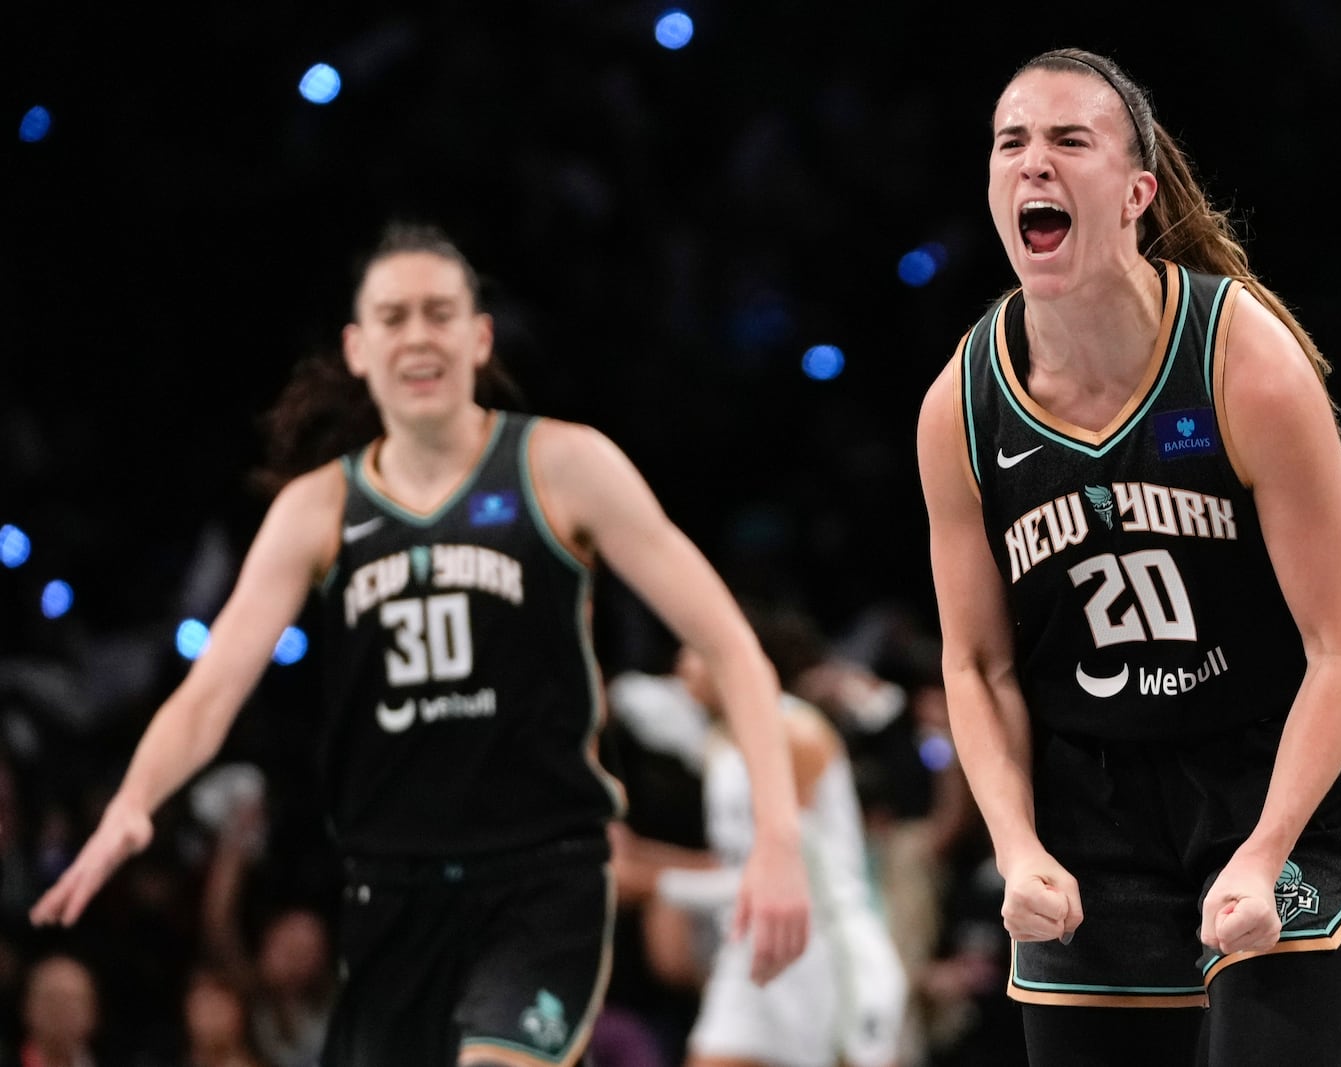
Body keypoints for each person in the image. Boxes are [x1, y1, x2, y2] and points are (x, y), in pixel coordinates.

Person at [29, 221, 811, 1067]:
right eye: (394, 317)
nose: (418, 335)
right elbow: (209, 692)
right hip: (391, 896)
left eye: (440, 313)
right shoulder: (318, 507)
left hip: (540, 882)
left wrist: (776, 838)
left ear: (479, 338)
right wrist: (132, 803)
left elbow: (733, 647)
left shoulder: (563, 466)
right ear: (359, 349)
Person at [914, 47, 1341, 1066]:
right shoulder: (959, 405)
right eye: (1011, 143)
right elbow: (976, 663)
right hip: (1090, 803)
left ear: (1135, 194)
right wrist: (1017, 844)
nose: (1032, 164)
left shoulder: (1242, 361)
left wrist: (1264, 852)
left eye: (1067, 140)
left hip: (1270, 771)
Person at [611, 613, 909, 1067]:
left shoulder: (796, 734)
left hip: (824, 951)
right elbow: (734, 862)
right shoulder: (719, 739)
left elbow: (782, 876)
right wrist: (634, 854)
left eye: (693, 652)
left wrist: (654, 880)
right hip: (753, 949)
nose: (682, 666)